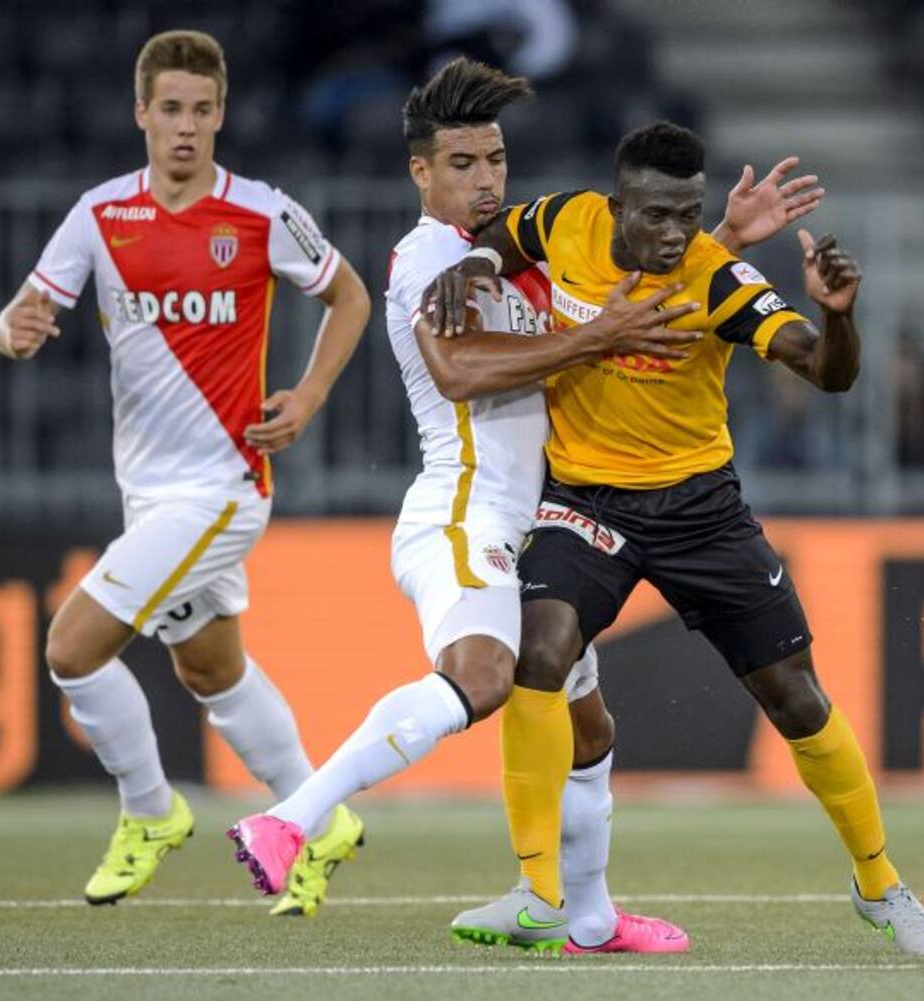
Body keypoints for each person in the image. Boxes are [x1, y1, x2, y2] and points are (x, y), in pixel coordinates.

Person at [230, 59, 823, 954]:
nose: (485, 182)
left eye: (496, 160)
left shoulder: (510, 247)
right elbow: (460, 369)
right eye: (462, 164)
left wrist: (725, 243)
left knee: (588, 724)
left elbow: (630, 308)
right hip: (468, 512)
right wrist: (593, 336)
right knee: (483, 679)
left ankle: (583, 914)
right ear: (420, 173)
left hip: (539, 518)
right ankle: (293, 817)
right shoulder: (429, 259)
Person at [425, 121, 924, 956]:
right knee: (539, 652)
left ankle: (881, 886)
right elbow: (498, 231)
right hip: (588, 501)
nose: (675, 234)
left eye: (688, 215)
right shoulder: (566, 221)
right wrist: (478, 262)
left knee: (798, 699)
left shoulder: (722, 281)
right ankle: (538, 891)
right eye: (658, 216)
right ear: (617, 204)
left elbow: (826, 369)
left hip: (702, 510)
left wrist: (837, 316)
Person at [0, 30, 371, 918]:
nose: (187, 128)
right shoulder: (100, 215)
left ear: (221, 115)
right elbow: (22, 312)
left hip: (223, 488)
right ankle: (323, 821)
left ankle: (150, 811)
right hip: (150, 492)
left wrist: (308, 398)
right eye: (171, 110)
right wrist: (16, 332)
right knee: (210, 670)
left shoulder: (262, 213)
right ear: (142, 116)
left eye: (202, 111)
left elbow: (349, 294)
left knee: (70, 648)